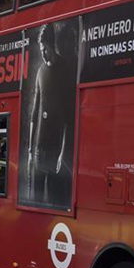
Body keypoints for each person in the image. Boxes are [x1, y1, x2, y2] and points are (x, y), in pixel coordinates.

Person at [27, 23, 77, 207]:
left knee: (55, 200)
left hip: (56, 149)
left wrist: (62, 154)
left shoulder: (65, 69)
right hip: (39, 147)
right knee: (36, 200)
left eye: (45, 49)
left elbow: (68, 119)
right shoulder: (40, 71)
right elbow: (34, 112)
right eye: (40, 50)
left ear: (51, 45)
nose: (43, 54)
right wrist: (31, 150)